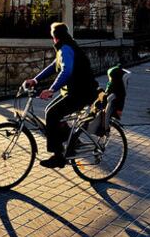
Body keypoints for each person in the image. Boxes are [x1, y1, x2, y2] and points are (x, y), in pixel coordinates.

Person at [25, 22, 98, 168]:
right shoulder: (66, 46)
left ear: (54, 37)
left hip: (81, 93)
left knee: (52, 114)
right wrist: (35, 79)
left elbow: (67, 70)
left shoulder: (65, 48)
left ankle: (58, 156)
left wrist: (51, 89)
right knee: (50, 111)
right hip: (76, 91)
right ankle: (73, 140)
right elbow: (54, 66)